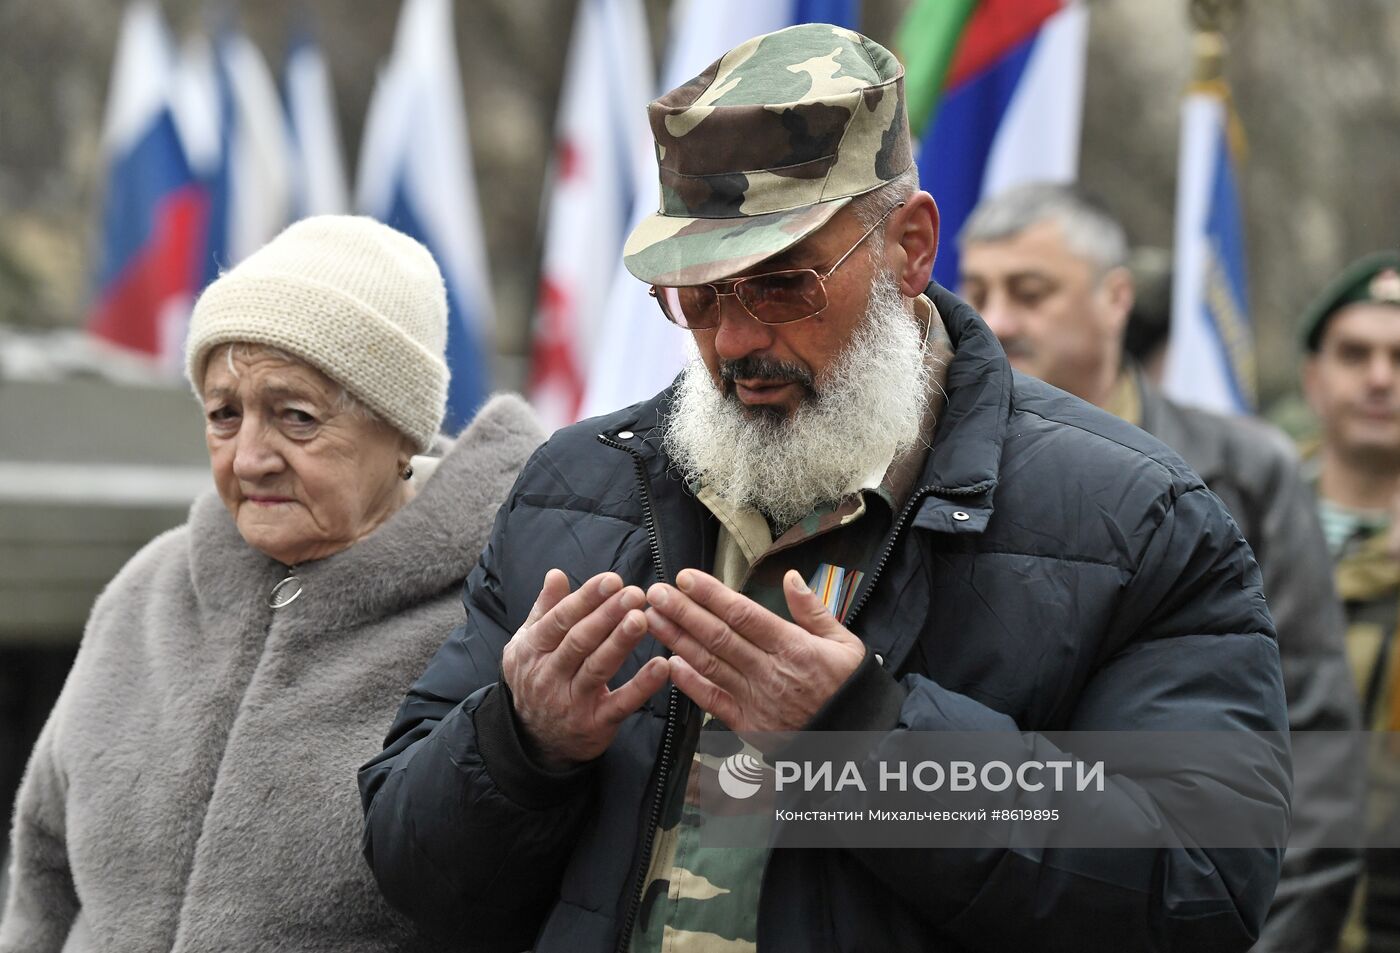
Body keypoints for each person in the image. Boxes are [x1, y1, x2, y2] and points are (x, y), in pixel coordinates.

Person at [361, 25, 1290, 952]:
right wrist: (522, 745)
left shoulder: (1133, 517)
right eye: (699, 294)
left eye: (780, 283)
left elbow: (1201, 884)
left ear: (910, 246)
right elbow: (410, 870)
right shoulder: (583, 484)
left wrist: (867, 743)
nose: (732, 343)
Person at [0, 216, 545, 951]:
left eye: (295, 416)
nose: (250, 456)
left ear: (402, 431)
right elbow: (42, 865)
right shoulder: (147, 590)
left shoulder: (496, 624)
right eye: (225, 414)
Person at [958, 181, 1363, 953]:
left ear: (1116, 299)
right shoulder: (936, 474)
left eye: (1030, 291)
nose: (998, 319)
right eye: (978, 290)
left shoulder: (1243, 470)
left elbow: (1312, 756)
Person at [1299, 249, 1400, 952]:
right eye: (1355, 353)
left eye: (1399, 357)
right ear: (1313, 377)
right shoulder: (1229, 526)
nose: (1380, 378)